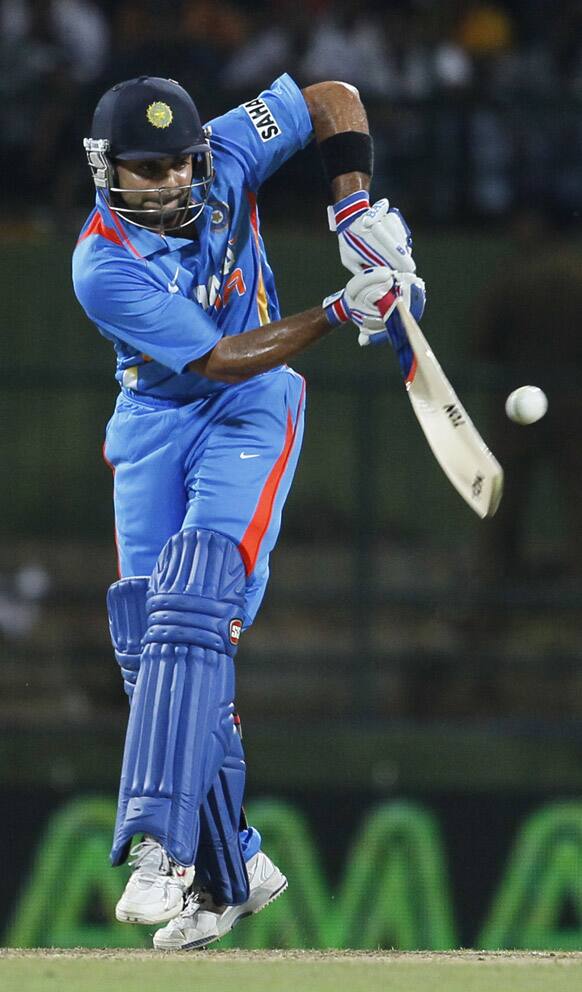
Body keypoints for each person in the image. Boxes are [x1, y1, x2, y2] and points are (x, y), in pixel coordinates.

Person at [72, 72, 425, 951]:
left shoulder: (228, 148)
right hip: (166, 411)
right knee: (148, 643)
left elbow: (335, 94)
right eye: (139, 169)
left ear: (198, 156)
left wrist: (354, 208)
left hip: (255, 409)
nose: (161, 183)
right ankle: (234, 872)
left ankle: (161, 849)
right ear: (106, 169)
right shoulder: (102, 264)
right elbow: (220, 355)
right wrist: (346, 308)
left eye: (174, 166)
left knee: (193, 601)